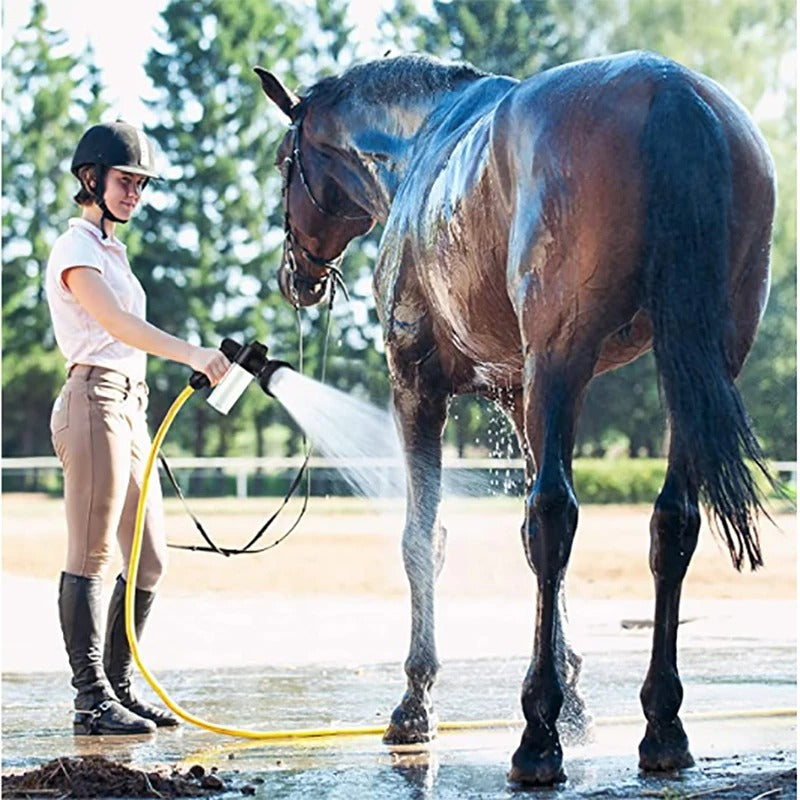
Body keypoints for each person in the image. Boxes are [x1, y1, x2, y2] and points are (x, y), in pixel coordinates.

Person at [45, 120, 231, 735]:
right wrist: (192, 352)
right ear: (91, 179)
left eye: (141, 185)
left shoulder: (112, 252)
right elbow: (119, 327)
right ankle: (90, 696)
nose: (135, 194)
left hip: (130, 406)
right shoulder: (75, 250)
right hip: (93, 401)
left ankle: (120, 684)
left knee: (149, 560)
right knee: (92, 552)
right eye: (126, 182)